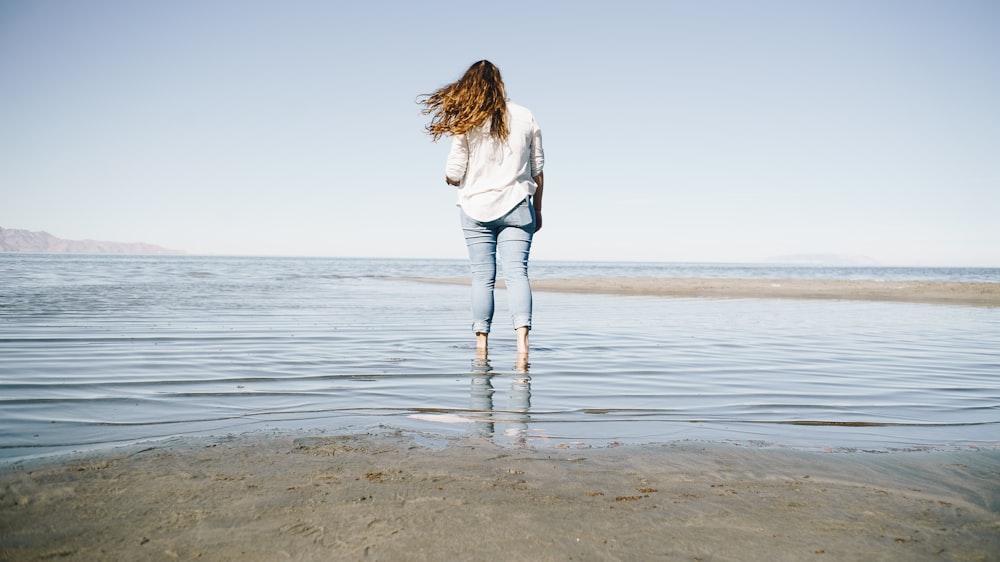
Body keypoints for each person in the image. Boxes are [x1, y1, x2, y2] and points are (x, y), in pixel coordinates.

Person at [419, 60, 544, 361]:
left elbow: (453, 172)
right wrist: (538, 212)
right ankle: (522, 348)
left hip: (475, 208)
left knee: (482, 277)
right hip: (517, 205)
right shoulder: (525, 116)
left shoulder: (467, 120)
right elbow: (538, 170)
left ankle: (481, 346)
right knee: (517, 275)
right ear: (500, 83)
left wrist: (452, 178)